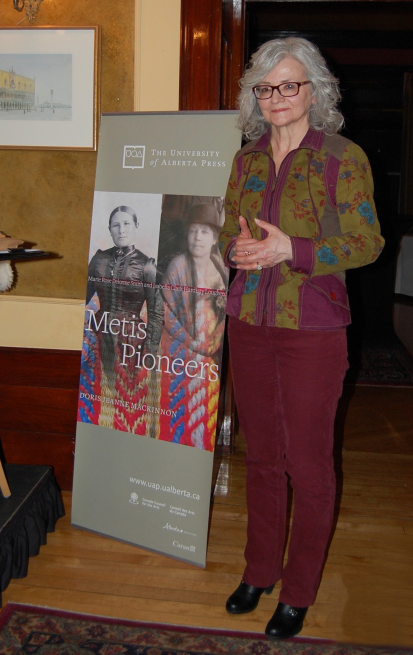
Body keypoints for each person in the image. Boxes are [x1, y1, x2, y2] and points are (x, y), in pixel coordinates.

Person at [218, 37, 384, 639]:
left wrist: (295, 249)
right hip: (249, 322)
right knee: (262, 457)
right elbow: (225, 230)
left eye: (289, 85)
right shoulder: (246, 160)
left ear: (315, 92)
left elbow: (367, 243)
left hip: (313, 328)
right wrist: (235, 250)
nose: (277, 97)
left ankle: (299, 590)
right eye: (265, 88)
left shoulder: (342, 157)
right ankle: (259, 570)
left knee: (309, 465)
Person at [80, 205, 163, 436]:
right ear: (110, 229)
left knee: (129, 403)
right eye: (116, 225)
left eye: (126, 224)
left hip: (132, 341)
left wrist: (149, 351)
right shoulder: (98, 259)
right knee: (98, 396)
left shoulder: (147, 265)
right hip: (99, 336)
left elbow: (156, 313)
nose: (121, 230)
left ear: (136, 227)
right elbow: (82, 297)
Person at [159, 203, 228, 451]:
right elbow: (164, 311)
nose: (197, 237)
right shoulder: (177, 266)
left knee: (203, 412)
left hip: (211, 355)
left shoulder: (221, 268)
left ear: (215, 239)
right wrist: (192, 344)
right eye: (193, 231)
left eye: (205, 232)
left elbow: (226, 312)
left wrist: (213, 343)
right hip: (179, 353)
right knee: (178, 411)